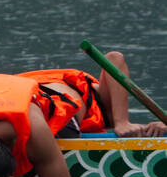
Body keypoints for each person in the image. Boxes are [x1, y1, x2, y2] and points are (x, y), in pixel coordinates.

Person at [20, 55, 166, 137]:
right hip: (52, 109)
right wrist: (122, 121)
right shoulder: (92, 92)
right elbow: (114, 58)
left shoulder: (95, 110)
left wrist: (160, 126)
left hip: (23, 107)